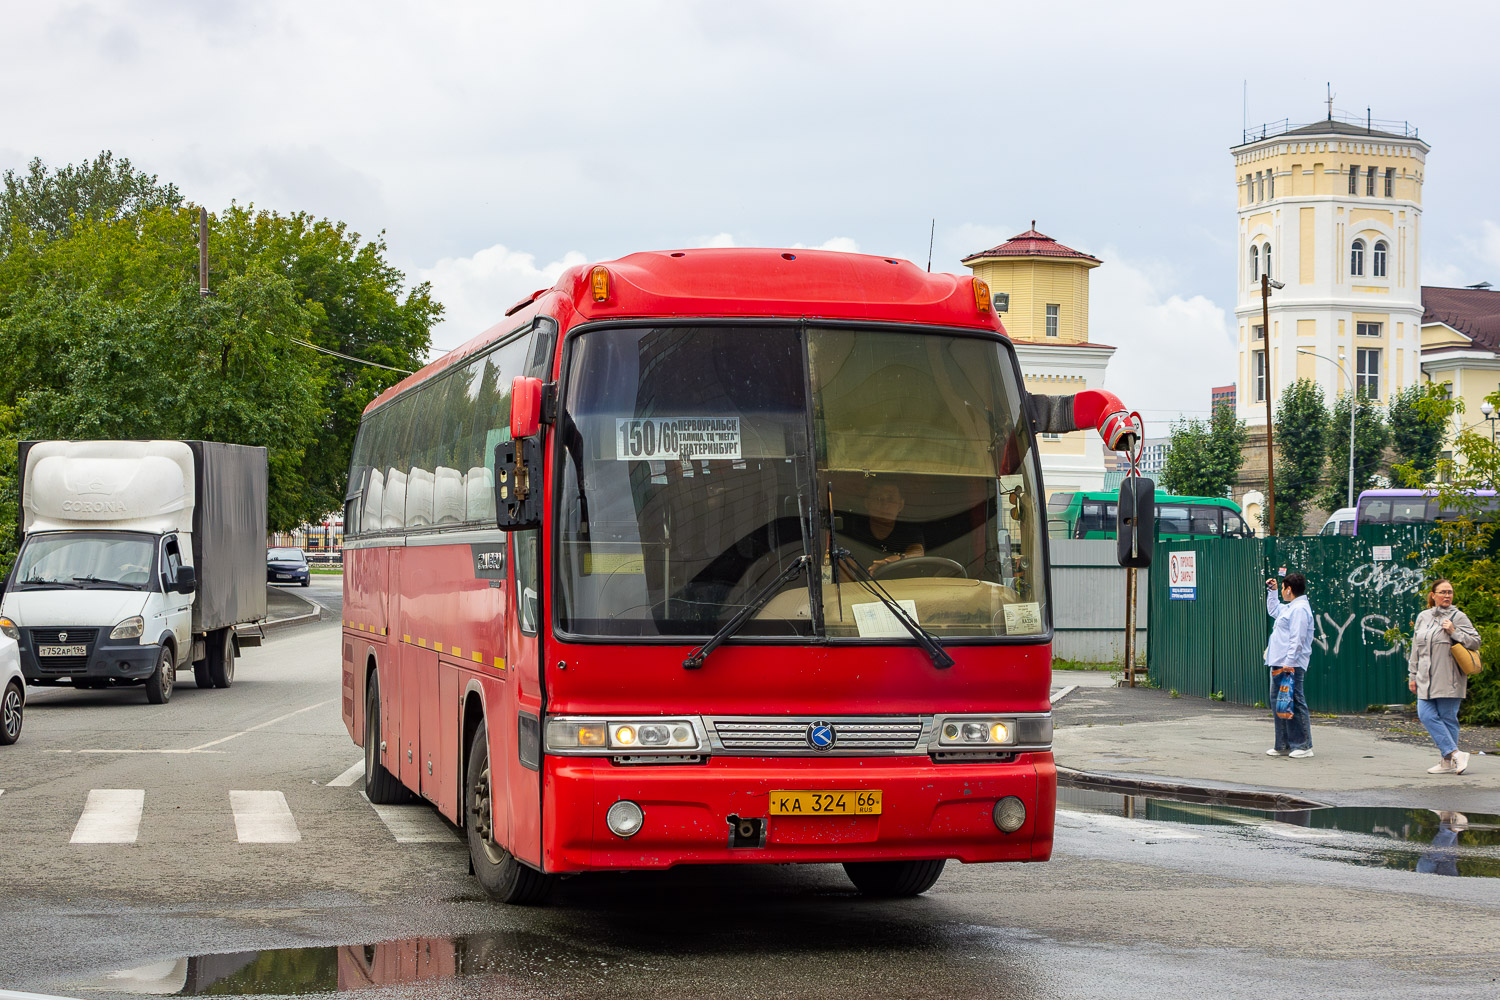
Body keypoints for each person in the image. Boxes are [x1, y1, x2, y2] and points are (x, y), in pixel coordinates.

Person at [1407, 578, 1480, 776]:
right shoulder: (1423, 617)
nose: (1447, 596)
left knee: (1448, 718)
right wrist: (1412, 674)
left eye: (1450, 592)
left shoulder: (1459, 617)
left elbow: (1475, 642)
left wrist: (1454, 632)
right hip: (1425, 678)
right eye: (1443, 592)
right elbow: (1416, 648)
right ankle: (1456, 754)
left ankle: (1447, 762)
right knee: (1425, 714)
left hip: (1450, 678)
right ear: (1433, 595)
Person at [1264, 572, 1315, 759]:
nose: (1282, 591)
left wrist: (1289, 663)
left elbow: (1298, 638)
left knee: (1294, 701)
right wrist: (1272, 591)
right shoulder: (1290, 607)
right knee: (1280, 703)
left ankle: (1303, 745)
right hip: (1280, 662)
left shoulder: (1299, 609)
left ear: (1289, 589)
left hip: (1289, 665)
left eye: (1283, 588)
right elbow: (1274, 610)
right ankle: (1283, 744)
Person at [838, 480, 924, 577]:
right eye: (878, 498)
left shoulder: (909, 529)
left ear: (900, 505)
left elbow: (917, 554)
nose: (884, 505)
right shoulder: (854, 529)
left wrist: (896, 559)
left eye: (890, 499)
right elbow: (844, 564)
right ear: (867, 503)